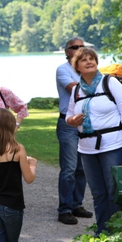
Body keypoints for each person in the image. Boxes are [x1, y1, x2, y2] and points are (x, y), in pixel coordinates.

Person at [66, 47, 122, 235]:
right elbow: (68, 116)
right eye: (84, 60)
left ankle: (118, 232)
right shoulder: (77, 90)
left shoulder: (109, 83)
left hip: (112, 145)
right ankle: (102, 232)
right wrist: (73, 120)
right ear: (77, 66)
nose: (89, 62)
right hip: (87, 149)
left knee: (114, 191)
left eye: (92, 58)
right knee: (98, 193)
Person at [0, 108, 37, 242]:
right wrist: (32, 165)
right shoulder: (17, 149)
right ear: (11, 126)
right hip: (12, 204)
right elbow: (29, 178)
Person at [55, 37, 92, 225]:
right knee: (69, 168)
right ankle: (65, 209)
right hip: (68, 124)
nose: (79, 49)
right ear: (67, 51)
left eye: (81, 46)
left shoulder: (88, 68)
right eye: (74, 47)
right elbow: (75, 89)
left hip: (85, 123)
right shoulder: (63, 70)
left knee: (82, 167)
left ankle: (77, 204)